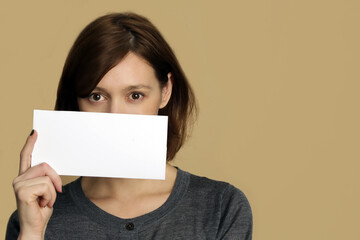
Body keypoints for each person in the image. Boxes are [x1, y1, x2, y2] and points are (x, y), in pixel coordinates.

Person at [6, 12, 252, 239]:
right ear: (77, 102)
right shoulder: (34, 216)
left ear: (165, 91)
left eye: (135, 95)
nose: (115, 115)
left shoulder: (221, 207)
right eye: (96, 96)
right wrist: (32, 231)